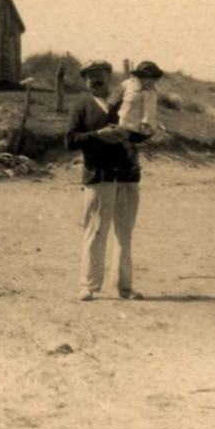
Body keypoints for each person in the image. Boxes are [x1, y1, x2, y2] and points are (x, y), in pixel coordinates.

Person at [64, 60, 151, 302]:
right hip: (98, 176)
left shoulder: (126, 103)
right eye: (90, 77)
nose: (95, 80)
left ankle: (125, 287)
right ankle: (88, 286)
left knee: (124, 233)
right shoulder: (81, 106)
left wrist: (132, 134)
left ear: (108, 77)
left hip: (128, 174)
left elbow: (142, 133)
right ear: (85, 81)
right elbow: (70, 140)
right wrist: (98, 136)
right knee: (95, 231)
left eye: (100, 75)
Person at [115, 60, 165, 135]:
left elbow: (150, 109)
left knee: (132, 133)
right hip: (124, 116)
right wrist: (110, 101)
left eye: (151, 81)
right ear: (138, 77)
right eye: (143, 79)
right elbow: (118, 91)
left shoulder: (150, 93)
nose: (147, 83)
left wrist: (146, 122)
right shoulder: (130, 84)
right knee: (121, 127)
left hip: (136, 121)